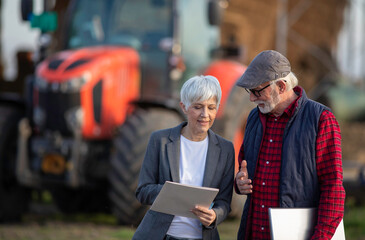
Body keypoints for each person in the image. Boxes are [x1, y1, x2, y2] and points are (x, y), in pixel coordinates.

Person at [234, 50, 345, 240]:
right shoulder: (254, 118)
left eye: (257, 91)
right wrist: (240, 182)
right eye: (249, 91)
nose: (252, 98)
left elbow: (333, 187)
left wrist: (321, 237)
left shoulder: (320, 120)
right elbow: (245, 166)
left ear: (281, 86)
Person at [132, 75, 235, 240]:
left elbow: (224, 202)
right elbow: (143, 191)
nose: (205, 114)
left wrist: (215, 215)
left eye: (211, 107)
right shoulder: (160, 140)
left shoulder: (226, 149)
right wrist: (171, 192)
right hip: (161, 236)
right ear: (184, 107)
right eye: (198, 107)